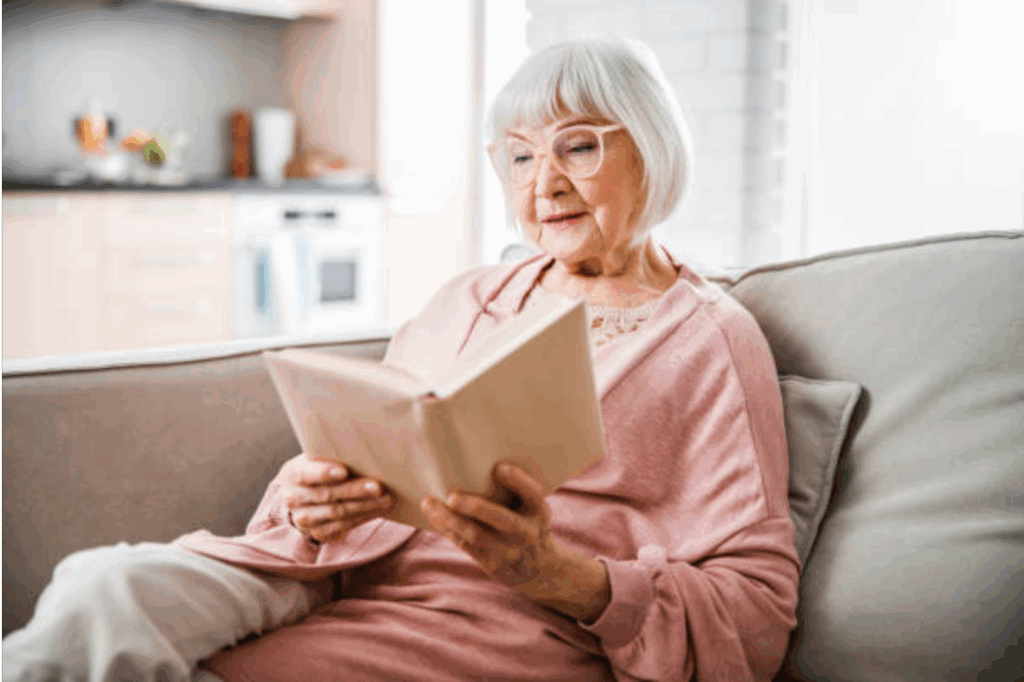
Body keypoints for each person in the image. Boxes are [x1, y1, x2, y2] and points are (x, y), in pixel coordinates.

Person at [2, 38, 799, 682]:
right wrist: (308, 501)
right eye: (519, 158)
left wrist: (551, 570)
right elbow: (369, 450)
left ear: (653, 147)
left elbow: (755, 613)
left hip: (494, 627)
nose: (545, 182)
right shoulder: (468, 297)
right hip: (322, 573)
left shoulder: (711, 341)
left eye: (578, 147)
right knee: (100, 590)